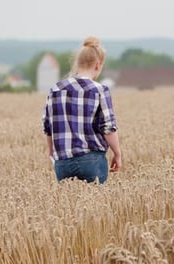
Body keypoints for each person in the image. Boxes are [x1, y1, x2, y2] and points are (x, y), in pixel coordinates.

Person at [42, 36, 121, 183]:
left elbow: (48, 126)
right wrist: (117, 154)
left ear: (78, 64)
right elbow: (108, 127)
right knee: (94, 203)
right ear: (98, 65)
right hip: (91, 161)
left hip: (62, 163)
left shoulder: (56, 89)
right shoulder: (100, 90)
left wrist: (52, 151)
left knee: (69, 205)